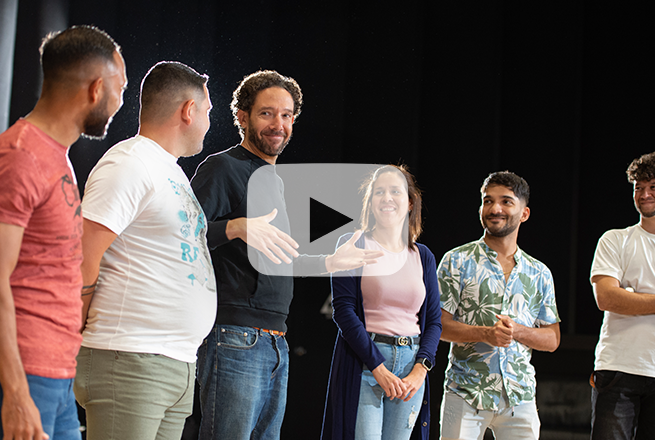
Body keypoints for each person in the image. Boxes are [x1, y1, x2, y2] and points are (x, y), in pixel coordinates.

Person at [191, 70, 382, 440]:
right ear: (243, 117)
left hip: (276, 337)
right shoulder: (223, 167)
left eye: (286, 114)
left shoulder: (275, 181)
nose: (278, 124)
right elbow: (182, 235)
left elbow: (280, 257)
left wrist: (329, 261)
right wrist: (235, 226)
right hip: (234, 334)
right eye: (266, 114)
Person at [73, 61, 216, 440]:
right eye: (207, 111)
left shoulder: (170, 171)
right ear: (188, 110)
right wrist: (73, 332)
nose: (208, 121)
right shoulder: (130, 163)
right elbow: (83, 255)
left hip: (175, 363)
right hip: (129, 358)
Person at [0, 26, 126, 440]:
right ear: (95, 89)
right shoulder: (20, 156)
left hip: (56, 375)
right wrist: (16, 393)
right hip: (24, 377)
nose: (120, 100)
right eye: (119, 88)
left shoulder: (57, 157)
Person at [321, 165, 443, 440]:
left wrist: (420, 370)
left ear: (410, 201)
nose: (387, 198)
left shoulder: (423, 256)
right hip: (366, 362)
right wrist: (378, 366)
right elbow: (344, 311)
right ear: (370, 201)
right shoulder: (353, 244)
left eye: (395, 191)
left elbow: (434, 321)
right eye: (379, 192)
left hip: (412, 366)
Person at [437, 171, 560, 440]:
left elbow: (552, 339)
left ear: (524, 213)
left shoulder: (539, 272)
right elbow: (439, 327)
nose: (495, 209)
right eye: (488, 201)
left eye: (506, 201)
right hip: (465, 391)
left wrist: (517, 332)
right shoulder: (456, 260)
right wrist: (485, 334)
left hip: (520, 395)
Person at [589, 152, 655, 439]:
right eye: (638, 187)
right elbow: (607, 298)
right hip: (618, 369)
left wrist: (634, 297)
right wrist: (623, 297)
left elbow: (622, 298)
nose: (644, 194)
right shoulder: (615, 239)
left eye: (652, 186)